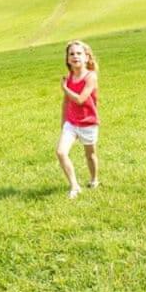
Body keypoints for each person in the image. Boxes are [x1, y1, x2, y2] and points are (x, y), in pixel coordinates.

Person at [56, 39, 99, 199]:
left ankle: (94, 179)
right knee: (61, 152)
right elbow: (66, 101)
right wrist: (63, 122)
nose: (75, 56)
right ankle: (74, 186)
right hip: (71, 123)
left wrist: (65, 89)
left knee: (90, 155)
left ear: (86, 57)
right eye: (71, 54)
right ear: (67, 59)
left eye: (79, 53)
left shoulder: (91, 77)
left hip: (88, 122)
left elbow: (80, 99)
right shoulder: (69, 77)